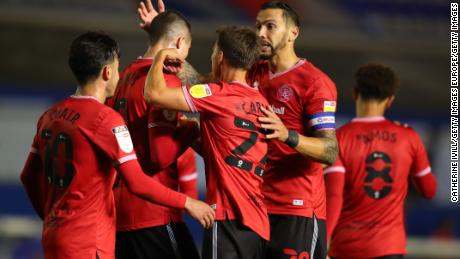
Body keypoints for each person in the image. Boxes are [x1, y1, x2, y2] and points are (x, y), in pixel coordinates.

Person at [19, 31, 214, 259]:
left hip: (55, 236)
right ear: (107, 72)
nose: (119, 76)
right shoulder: (105, 119)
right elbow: (138, 182)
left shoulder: (49, 116)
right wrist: (188, 202)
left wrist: (50, 215)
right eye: (117, 68)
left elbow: (28, 175)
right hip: (89, 242)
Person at [144, 26, 270, 259]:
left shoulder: (218, 95)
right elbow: (226, 148)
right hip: (258, 223)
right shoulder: (261, 102)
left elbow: (154, 94)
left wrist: (160, 55)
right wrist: (191, 132)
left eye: (213, 52)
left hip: (228, 217)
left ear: (220, 56)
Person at [106, 4, 201, 258]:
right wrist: (189, 131)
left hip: (119, 214)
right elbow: (160, 157)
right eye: (187, 48)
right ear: (180, 42)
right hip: (153, 215)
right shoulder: (164, 83)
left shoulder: (124, 76)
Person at [247, 2, 338, 258]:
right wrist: (163, 43)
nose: (261, 33)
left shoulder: (314, 83)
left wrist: (288, 135)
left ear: (292, 33)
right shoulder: (251, 72)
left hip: (296, 211)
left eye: (270, 26)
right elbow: (203, 83)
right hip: (255, 206)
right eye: (258, 26)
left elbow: (330, 151)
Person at [325, 64, 437, 259]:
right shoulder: (408, 137)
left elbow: (334, 197)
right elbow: (429, 191)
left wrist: (321, 244)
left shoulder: (339, 139)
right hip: (388, 247)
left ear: (355, 93)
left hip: (346, 247)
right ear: (390, 100)